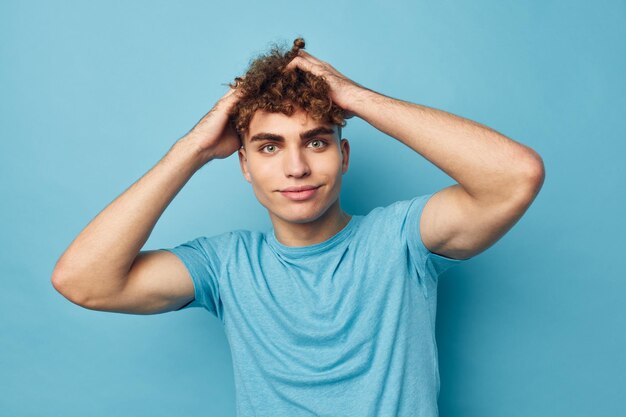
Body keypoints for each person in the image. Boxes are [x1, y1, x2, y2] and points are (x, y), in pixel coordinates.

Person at [51, 37, 545, 416]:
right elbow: (83, 282)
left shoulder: (401, 240)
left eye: (315, 142)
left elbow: (515, 177)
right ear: (244, 165)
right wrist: (193, 149)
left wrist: (354, 98)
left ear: (343, 154)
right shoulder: (226, 265)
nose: (296, 168)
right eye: (269, 147)